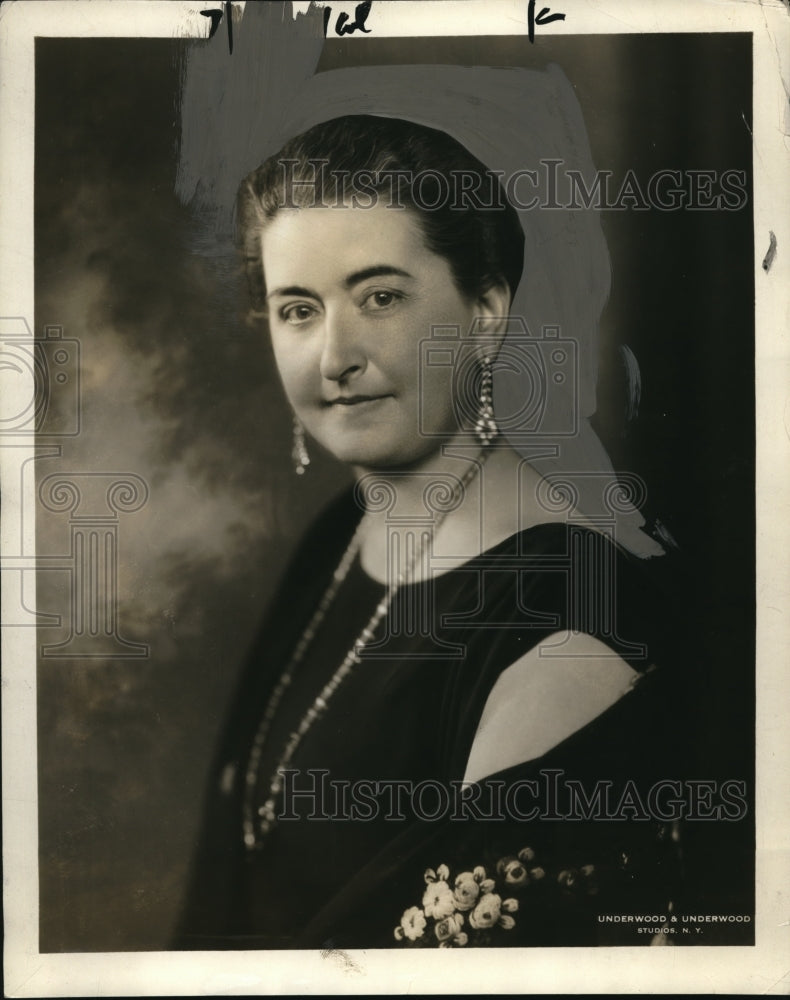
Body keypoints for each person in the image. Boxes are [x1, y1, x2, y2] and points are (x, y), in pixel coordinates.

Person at [175, 114, 695, 951]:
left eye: (380, 297)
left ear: (486, 310)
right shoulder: (337, 539)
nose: (333, 356)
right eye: (298, 310)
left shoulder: (571, 629)